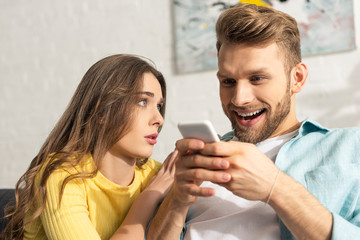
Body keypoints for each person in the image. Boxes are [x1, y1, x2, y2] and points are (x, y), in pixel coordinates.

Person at [147, 3, 360, 240]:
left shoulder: (350, 148)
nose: (239, 98)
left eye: (257, 78)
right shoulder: (203, 159)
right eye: (228, 82)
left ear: (297, 79)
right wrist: (176, 201)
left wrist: (274, 187)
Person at [2, 54, 177, 240]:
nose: (159, 119)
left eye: (159, 106)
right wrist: (148, 198)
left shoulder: (159, 175)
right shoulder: (63, 176)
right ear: (101, 111)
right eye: (143, 102)